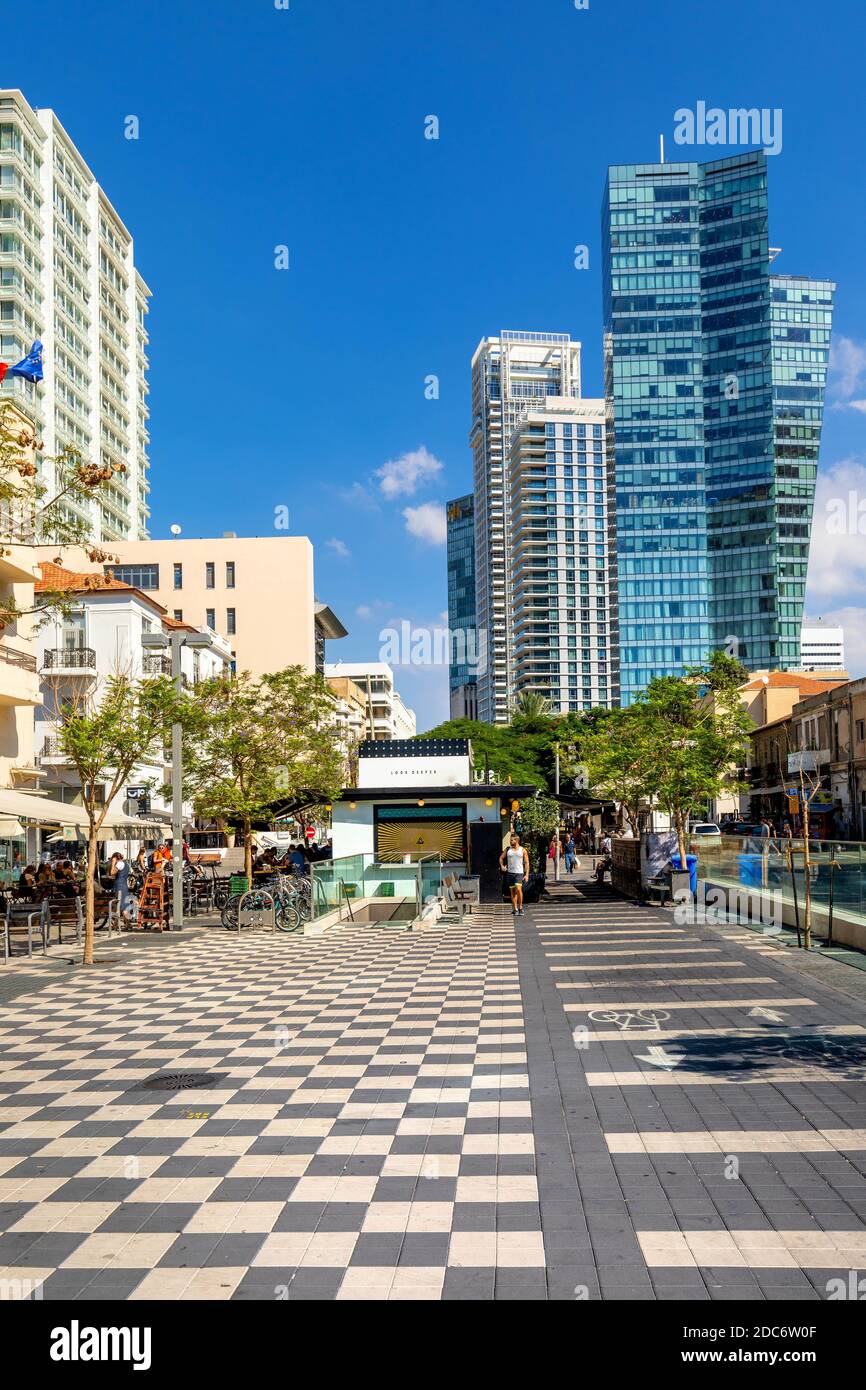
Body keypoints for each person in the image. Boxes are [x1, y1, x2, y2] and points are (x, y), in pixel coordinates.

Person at [499, 833, 530, 917]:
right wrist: (502, 866)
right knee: (512, 892)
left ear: (516, 840)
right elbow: (501, 858)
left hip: (519, 873)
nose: (510, 841)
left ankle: (520, 908)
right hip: (510, 873)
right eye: (510, 840)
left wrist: (526, 875)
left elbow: (527, 863)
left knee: (519, 889)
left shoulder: (522, 850)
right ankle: (515, 909)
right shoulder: (508, 849)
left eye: (512, 840)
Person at [109, 851, 133, 924]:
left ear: (115, 858)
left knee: (122, 905)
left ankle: (128, 924)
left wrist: (113, 863)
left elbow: (112, 873)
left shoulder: (119, 864)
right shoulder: (126, 864)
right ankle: (117, 924)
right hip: (124, 885)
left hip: (119, 886)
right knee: (121, 905)